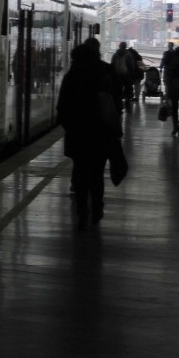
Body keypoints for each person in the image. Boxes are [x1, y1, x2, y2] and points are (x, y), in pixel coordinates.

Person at [58, 38, 121, 228]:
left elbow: (62, 107)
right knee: (96, 173)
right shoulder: (105, 71)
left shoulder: (72, 75)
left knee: (79, 172)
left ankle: (82, 212)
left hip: (78, 134)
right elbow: (116, 101)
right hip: (100, 134)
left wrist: (70, 126)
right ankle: (97, 206)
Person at [163, 45, 179, 135]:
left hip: (174, 89)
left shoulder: (172, 62)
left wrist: (167, 88)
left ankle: (175, 127)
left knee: (174, 109)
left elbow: (168, 77)